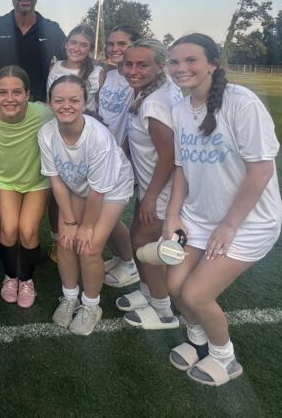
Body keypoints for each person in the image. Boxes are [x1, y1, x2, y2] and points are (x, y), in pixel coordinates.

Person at [163, 33, 282, 386]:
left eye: (190, 60)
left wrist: (230, 225)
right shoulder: (179, 109)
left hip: (247, 223)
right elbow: (182, 168)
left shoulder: (241, 103)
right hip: (198, 217)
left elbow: (261, 170)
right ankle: (197, 341)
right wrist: (173, 215)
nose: (181, 68)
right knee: (174, 285)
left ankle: (224, 358)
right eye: (174, 61)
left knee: (196, 294)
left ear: (213, 64)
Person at [40, 75, 134, 335]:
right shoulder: (46, 133)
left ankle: (91, 305)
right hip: (77, 185)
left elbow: (98, 191)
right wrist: (70, 223)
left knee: (89, 247)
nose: (66, 105)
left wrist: (86, 226)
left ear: (84, 102)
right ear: (50, 103)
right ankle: (70, 297)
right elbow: (56, 181)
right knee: (66, 241)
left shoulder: (98, 137)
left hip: (111, 188)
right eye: (59, 100)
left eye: (74, 100)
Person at [116, 39, 184, 330]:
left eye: (142, 64)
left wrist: (151, 197)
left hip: (161, 192)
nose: (133, 70)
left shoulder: (156, 102)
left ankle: (162, 310)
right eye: (128, 63)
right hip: (149, 186)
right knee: (139, 239)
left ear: (160, 66)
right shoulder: (150, 92)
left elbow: (169, 155)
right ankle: (148, 293)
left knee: (146, 246)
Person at [0, 66, 52, 308]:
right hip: (6, 181)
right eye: (3, 92)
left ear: (28, 95)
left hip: (37, 182)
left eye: (17, 92)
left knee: (28, 232)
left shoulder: (42, 114)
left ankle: (27, 280)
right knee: (8, 231)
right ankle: (11, 277)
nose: (10, 99)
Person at [96, 25, 142, 288]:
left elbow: (132, 123)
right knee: (104, 211)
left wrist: (119, 155)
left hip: (120, 157)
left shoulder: (136, 79)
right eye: (111, 44)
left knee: (108, 214)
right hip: (103, 153)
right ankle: (117, 256)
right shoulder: (110, 74)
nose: (114, 49)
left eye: (121, 44)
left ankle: (129, 263)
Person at [46, 26, 104, 113]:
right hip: (56, 122)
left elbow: (102, 107)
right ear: (66, 44)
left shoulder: (97, 73)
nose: (76, 49)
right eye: (73, 43)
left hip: (85, 124)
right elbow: (49, 101)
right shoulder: (54, 67)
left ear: (91, 49)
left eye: (83, 45)